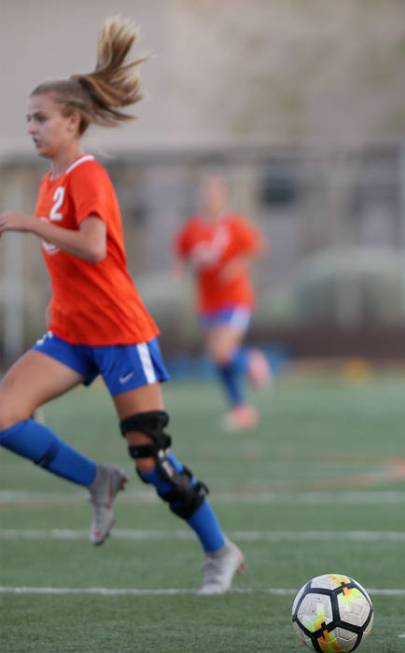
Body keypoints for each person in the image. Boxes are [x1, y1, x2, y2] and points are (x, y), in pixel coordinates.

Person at [0, 17, 244, 595]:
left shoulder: (87, 176)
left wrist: (27, 224)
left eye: (41, 118)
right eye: (28, 118)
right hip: (70, 333)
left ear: (73, 121)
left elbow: (90, 246)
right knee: (5, 416)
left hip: (118, 333)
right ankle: (94, 480)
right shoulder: (51, 181)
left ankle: (220, 549)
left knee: (151, 459)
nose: (31, 128)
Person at [174, 174, 269, 431]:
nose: (209, 198)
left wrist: (235, 265)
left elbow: (255, 248)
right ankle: (241, 409)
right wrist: (187, 265)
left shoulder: (233, 225)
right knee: (219, 359)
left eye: (214, 193)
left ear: (223, 196)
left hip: (235, 298)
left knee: (222, 352)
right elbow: (181, 255)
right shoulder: (193, 228)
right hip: (208, 302)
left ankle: (251, 362)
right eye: (206, 193)